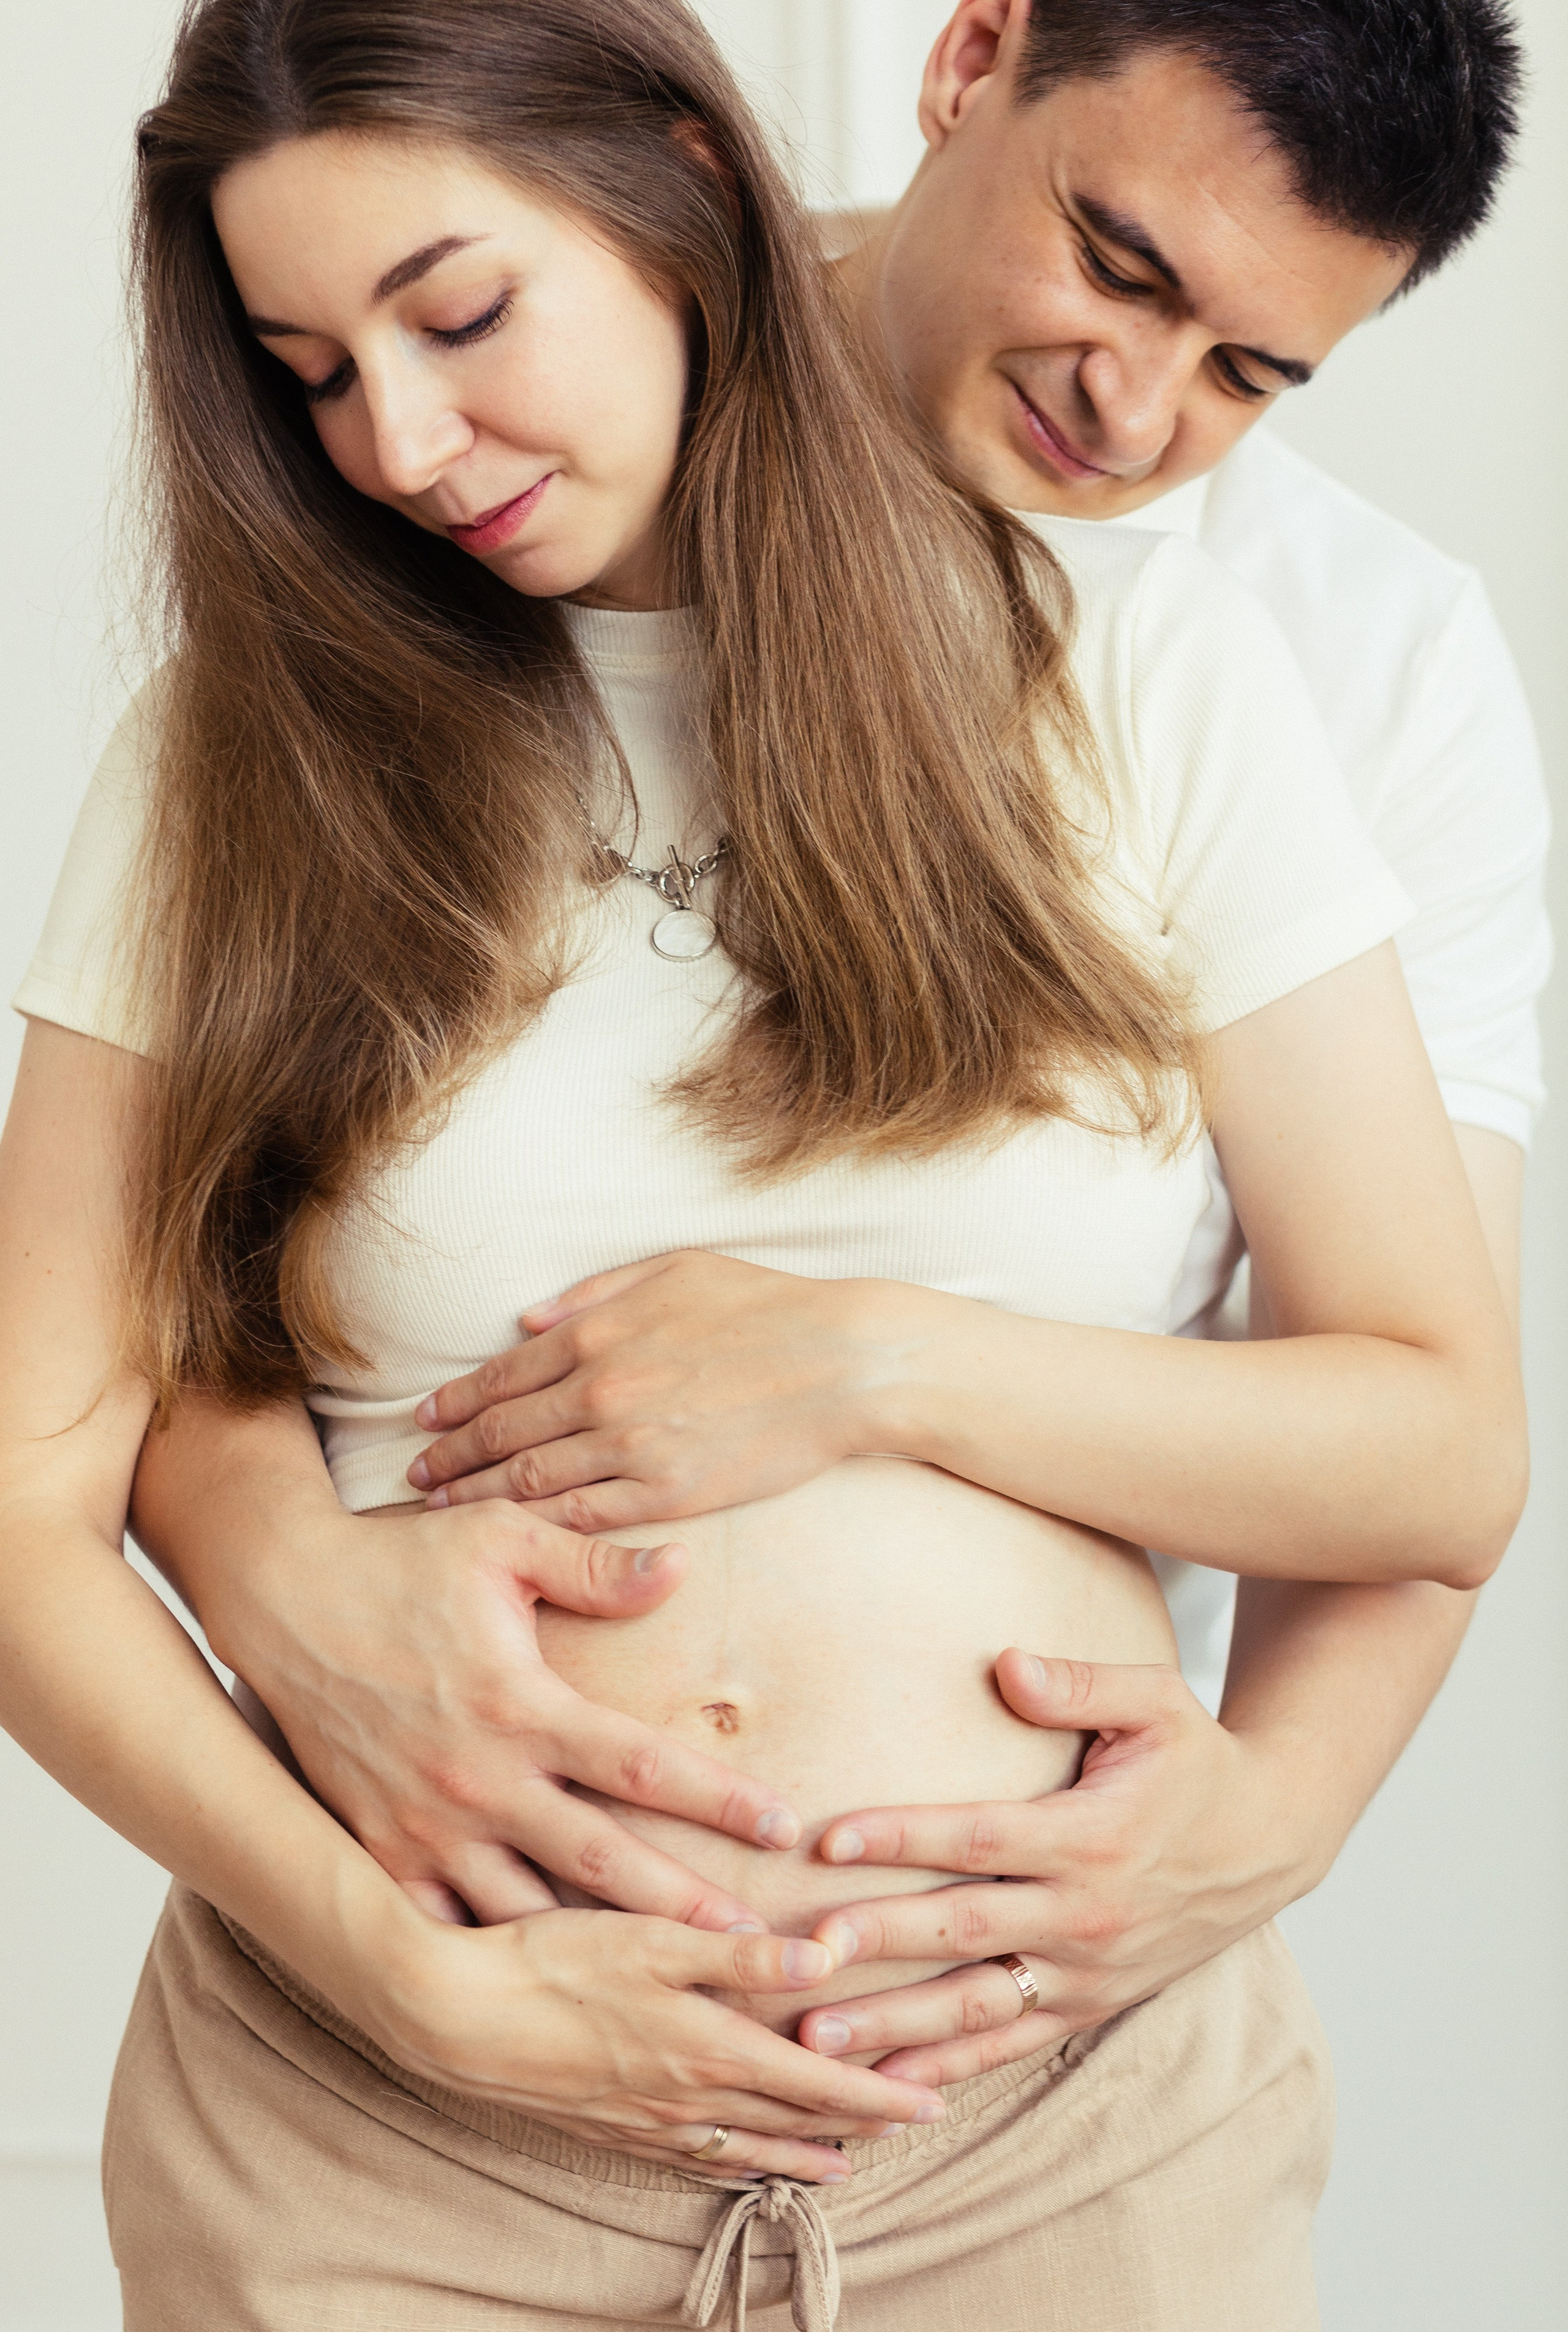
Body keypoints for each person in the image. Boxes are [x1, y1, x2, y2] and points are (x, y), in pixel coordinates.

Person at [0, 0, 1525, 2324]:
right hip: (391, 2148)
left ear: (678, 189)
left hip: (1045, 2123)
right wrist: (400, 1960)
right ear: (970, 66)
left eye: (1243, 367)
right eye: (313, 370)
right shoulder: (248, 745)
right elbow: (59, 1443)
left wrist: (882, 1375)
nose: (399, 438)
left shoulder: (1221, 655)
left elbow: (1431, 1438)